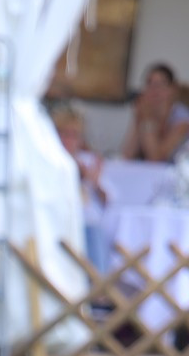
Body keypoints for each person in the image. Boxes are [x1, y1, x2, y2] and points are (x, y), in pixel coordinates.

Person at [51, 103, 114, 275]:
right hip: (59, 222)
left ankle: (99, 286)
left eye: (74, 135)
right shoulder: (50, 161)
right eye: (64, 134)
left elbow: (109, 201)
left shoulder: (88, 161)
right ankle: (98, 285)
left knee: (96, 228)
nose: (68, 140)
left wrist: (93, 181)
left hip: (89, 225)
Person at [121, 63, 189, 164]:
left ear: (173, 89)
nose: (154, 91)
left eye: (160, 85)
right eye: (149, 84)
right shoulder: (146, 110)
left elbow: (156, 159)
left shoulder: (183, 118)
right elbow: (127, 155)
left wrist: (147, 120)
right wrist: (139, 118)